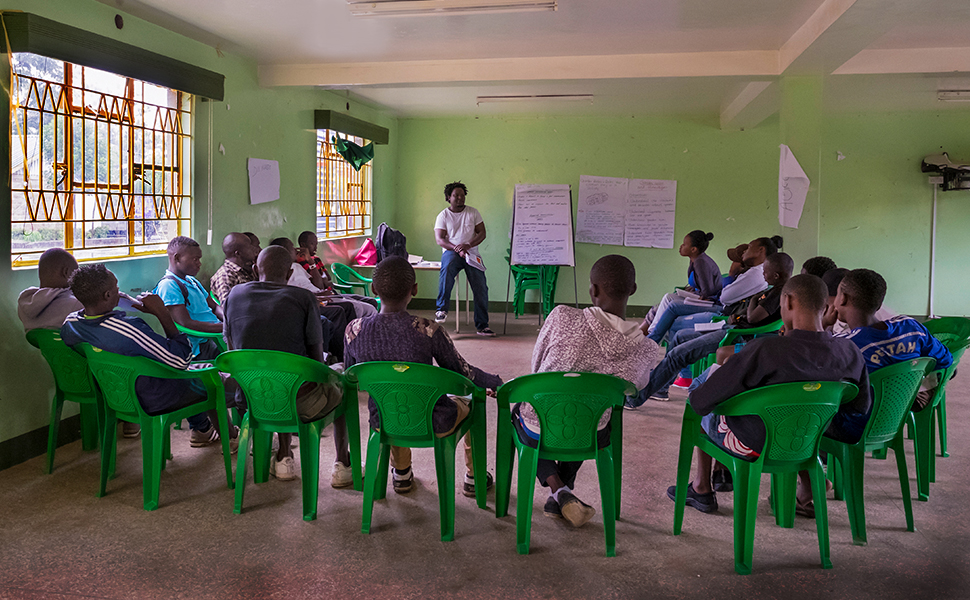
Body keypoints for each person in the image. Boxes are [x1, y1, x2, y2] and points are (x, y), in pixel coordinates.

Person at [667, 274, 871, 514]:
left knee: (703, 388)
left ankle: (702, 487)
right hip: (809, 443)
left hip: (754, 445)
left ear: (788, 301)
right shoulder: (850, 352)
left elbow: (701, 401)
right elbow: (859, 407)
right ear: (825, 308)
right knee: (796, 410)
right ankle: (807, 480)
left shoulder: (764, 350)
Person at [515, 255, 661, 527]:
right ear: (633, 289)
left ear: (593, 290)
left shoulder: (561, 317)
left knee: (523, 412)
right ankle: (563, 492)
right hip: (591, 431)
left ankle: (558, 490)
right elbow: (635, 390)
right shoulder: (645, 349)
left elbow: (537, 366)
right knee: (590, 414)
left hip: (540, 425)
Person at [345, 256, 502, 496]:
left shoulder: (353, 330)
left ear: (374, 289)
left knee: (391, 397)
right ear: (415, 290)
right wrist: (494, 382)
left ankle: (401, 473)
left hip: (384, 420)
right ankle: (474, 476)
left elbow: (350, 377)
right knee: (472, 399)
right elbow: (463, 372)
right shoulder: (429, 329)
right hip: (435, 420)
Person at [223, 246, 355, 485]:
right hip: (299, 402)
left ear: (256, 270)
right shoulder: (303, 298)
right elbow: (315, 363)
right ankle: (343, 464)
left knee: (276, 373)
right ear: (289, 274)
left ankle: (284, 455)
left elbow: (233, 351)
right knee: (342, 381)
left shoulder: (234, 295)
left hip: (252, 398)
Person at [60, 264, 224, 447]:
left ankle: (204, 429)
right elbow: (181, 360)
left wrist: (129, 301)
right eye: (117, 288)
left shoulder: (70, 324)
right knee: (216, 379)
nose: (119, 292)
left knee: (199, 373)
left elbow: (101, 307)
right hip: (153, 398)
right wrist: (162, 313)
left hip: (116, 394)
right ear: (107, 295)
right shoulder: (128, 329)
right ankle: (227, 433)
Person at [627, 252, 793, 405]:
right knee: (680, 336)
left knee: (678, 354)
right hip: (731, 327)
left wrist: (754, 300)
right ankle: (661, 388)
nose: (763, 275)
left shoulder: (777, 293)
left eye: (765, 272)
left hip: (736, 335)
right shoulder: (774, 290)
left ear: (776, 275)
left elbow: (753, 318)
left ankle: (637, 398)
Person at [833, 269, 951, 416]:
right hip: (898, 413)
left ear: (842, 298)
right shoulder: (911, 328)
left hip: (860, 423)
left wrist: (822, 328)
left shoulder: (843, 346)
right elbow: (946, 360)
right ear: (879, 304)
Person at [269, 237, 352, 361]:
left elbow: (320, 285)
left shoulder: (297, 266)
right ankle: (342, 357)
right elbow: (291, 293)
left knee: (352, 304)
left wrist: (311, 263)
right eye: (292, 248)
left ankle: (346, 354)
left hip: (317, 295)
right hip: (310, 300)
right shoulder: (282, 270)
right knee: (339, 311)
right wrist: (316, 297)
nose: (296, 250)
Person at [433, 181, 495, 336]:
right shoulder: (443, 215)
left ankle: (482, 325)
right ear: (448, 197)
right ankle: (441, 310)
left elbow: (482, 233)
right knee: (446, 271)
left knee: (481, 286)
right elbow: (440, 239)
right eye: (456, 195)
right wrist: (456, 248)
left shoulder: (473, 213)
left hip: (471, 252)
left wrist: (468, 245)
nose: (460, 198)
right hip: (451, 252)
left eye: (462, 195)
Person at [642, 230, 723, 343]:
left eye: (684, 244)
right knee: (666, 300)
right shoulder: (695, 259)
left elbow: (708, 291)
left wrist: (696, 296)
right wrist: (692, 289)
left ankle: (653, 336)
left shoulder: (700, 262)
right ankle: (652, 333)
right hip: (701, 296)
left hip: (710, 301)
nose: (681, 246)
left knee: (669, 301)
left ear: (693, 249)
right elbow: (701, 283)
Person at [153, 236, 224, 359]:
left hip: (216, 334)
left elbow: (214, 306)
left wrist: (229, 320)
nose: (199, 263)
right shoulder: (169, 285)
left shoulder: (192, 281)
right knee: (242, 355)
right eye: (195, 259)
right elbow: (185, 323)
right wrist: (224, 328)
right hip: (201, 343)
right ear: (177, 258)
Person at [295, 230, 379, 313]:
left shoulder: (316, 259)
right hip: (325, 296)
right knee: (359, 307)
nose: (316, 247)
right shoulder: (301, 263)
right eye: (312, 244)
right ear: (303, 245)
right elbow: (319, 285)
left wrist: (324, 279)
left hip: (332, 292)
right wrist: (323, 279)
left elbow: (327, 277)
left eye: (316, 244)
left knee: (371, 301)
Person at [18, 248, 82, 332]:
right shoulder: (75, 305)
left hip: (42, 341)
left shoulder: (24, 303)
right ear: (66, 272)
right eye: (76, 273)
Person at [210, 232, 258, 305]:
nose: (254, 249)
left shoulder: (246, 269)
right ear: (238, 253)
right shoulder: (225, 275)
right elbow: (228, 307)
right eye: (250, 247)